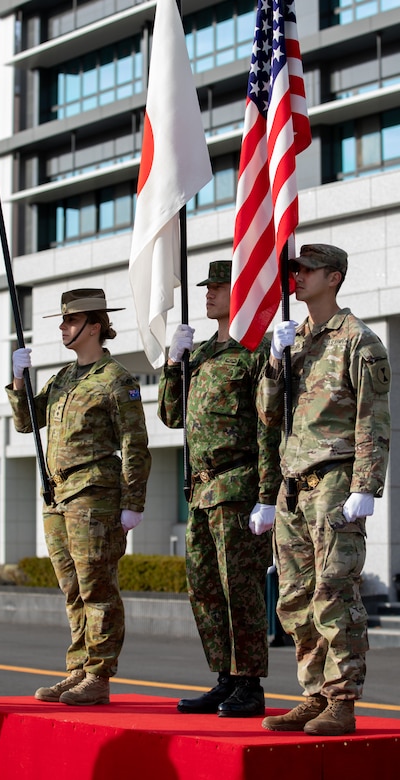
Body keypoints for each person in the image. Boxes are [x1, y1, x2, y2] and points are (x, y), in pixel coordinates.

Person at [257, 244, 391, 736]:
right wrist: (275, 359)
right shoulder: (296, 341)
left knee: (335, 594)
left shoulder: (359, 340)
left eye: (307, 270)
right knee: (294, 599)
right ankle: (314, 693)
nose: (297, 278)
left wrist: (366, 486)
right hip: (293, 485)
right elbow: (269, 416)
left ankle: (342, 699)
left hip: (335, 481)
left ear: (334, 278)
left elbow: (373, 418)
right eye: (295, 270)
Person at [7, 288, 151, 706]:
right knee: (71, 588)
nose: (63, 328)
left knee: (97, 586)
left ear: (94, 326)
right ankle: (78, 668)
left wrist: (133, 503)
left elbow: (135, 444)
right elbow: (25, 423)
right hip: (57, 494)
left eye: (70, 321)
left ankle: (99, 674)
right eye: (64, 320)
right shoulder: (63, 378)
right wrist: (19, 381)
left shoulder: (116, 379)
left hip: (95, 494)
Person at [158, 260, 282, 718]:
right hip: (201, 490)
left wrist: (267, 496)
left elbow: (271, 430)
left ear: (243, 291)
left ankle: (250, 684)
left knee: (240, 589)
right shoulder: (204, 354)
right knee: (205, 589)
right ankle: (225, 677)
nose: (208, 294)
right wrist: (174, 365)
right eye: (207, 286)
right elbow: (173, 417)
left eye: (218, 287)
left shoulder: (257, 352)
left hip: (239, 484)